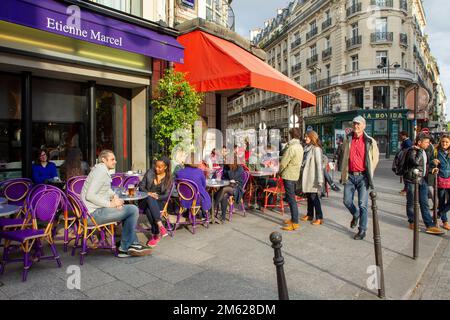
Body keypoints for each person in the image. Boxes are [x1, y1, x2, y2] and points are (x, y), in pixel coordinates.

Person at [81, 150, 152, 258]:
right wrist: (111, 205)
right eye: (112, 159)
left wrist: (115, 197)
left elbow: (105, 189)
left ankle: (133, 244)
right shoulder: (101, 171)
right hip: (93, 215)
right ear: (104, 160)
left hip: (92, 212)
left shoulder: (100, 169)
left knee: (126, 210)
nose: (115, 161)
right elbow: (90, 195)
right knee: (132, 210)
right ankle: (125, 248)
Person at [341, 116, 379, 240]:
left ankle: (362, 230)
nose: (356, 126)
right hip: (350, 175)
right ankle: (355, 214)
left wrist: (369, 172)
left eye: (358, 124)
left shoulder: (370, 141)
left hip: (363, 177)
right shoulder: (348, 139)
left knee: (363, 204)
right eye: (354, 124)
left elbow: (375, 158)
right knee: (347, 201)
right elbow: (345, 156)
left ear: (364, 126)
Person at [403, 135, 445, 234]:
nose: (428, 144)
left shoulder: (424, 151)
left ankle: (429, 225)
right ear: (419, 142)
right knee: (411, 202)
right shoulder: (412, 151)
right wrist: (420, 151)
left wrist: (432, 166)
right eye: (426, 142)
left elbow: (423, 165)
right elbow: (415, 162)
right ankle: (412, 221)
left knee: (424, 203)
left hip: (422, 179)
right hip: (412, 180)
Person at [139, 157, 172, 248]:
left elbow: (166, 195)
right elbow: (141, 187)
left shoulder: (169, 177)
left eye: (160, 167)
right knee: (149, 198)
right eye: (156, 166)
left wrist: (156, 196)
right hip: (144, 200)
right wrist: (148, 193)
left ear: (165, 167)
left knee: (150, 207)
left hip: (159, 201)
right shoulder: (150, 172)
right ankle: (160, 225)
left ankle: (156, 234)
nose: (156, 168)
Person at [279, 128, 304, 231]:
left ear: (291, 135)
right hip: (295, 175)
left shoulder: (291, 147)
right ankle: (293, 219)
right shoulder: (299, 146)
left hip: (288, 175)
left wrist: (279, 171)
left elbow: (284, 162)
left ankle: (295, 222)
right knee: (291, 198)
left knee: (291, 199)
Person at [299, 130, 324, 225]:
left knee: (314, 197)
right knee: (309, 196)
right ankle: (309, 214)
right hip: (307, 176)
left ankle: (319, 217)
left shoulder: (316, 149)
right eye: (305, 136)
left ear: (312, 137)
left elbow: (319, 165)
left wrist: (320, 179)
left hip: (313, 177)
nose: (305, 138)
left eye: (307, 137)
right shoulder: (307, 148)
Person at [430, 135, 450, 230]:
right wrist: (433, 162)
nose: (444, 143)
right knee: (441, 201)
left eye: (446, 142)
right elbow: (430, 162)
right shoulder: (436, 151)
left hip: (449, 178)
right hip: (440, 178)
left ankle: (438, 214)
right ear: (440, 142)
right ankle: (445, 221)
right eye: (443, 142)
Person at [398, 131, 413, 195]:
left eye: (401, 135)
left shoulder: (407, 142)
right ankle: (405, 189)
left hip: (405, 161)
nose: (400, 137)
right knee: (405, 176)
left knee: (406, 176)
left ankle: (406, 190)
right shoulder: (406, 141)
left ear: (404, 135)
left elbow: (407, 151)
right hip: (404, 160)